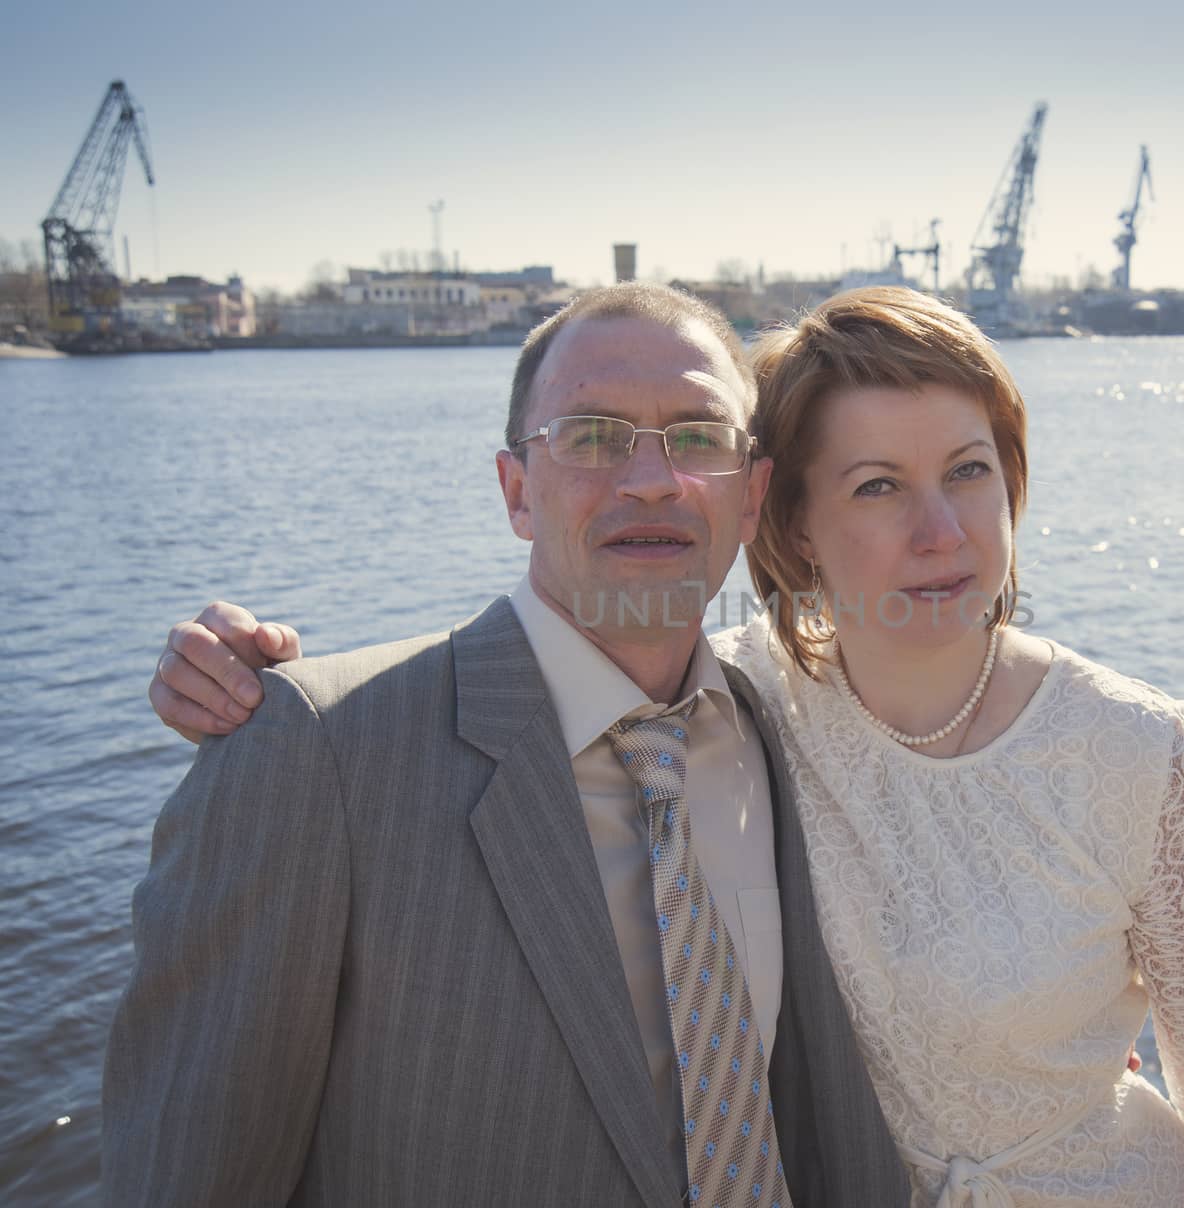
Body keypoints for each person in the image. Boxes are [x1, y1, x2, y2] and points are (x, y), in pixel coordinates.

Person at [150, 287, 1184, 1206]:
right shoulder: (737, 699)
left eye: (968, 471)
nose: (939, 529)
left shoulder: (1130, 749)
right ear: (787, 518)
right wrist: (240, 675)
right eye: (876, 485)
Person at [104, 283, 910, 1207]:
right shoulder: (315, 752)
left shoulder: (778, 728)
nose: (651, 478)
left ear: (753, 495)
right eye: (593, 436)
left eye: (697, 437)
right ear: (517, 490)